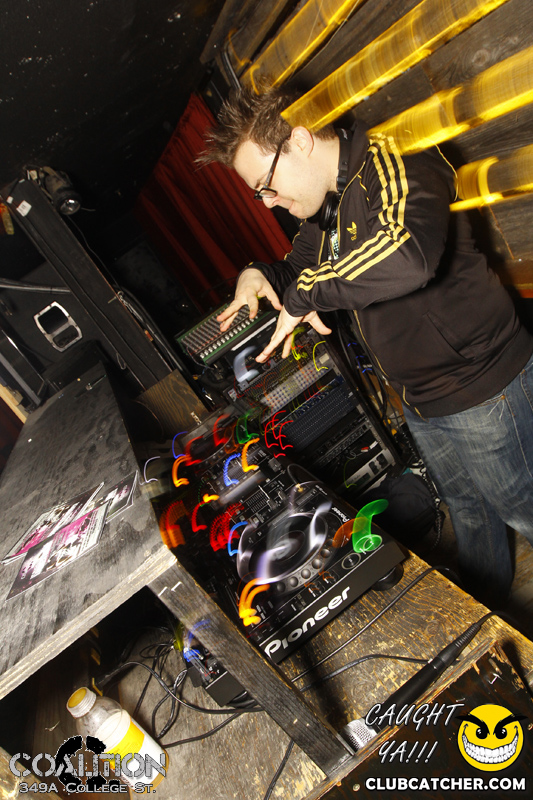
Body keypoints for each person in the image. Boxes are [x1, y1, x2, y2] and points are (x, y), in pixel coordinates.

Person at [200, 83, 533, 608]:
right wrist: (257, 274)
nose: (268, 201)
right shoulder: (325, 208)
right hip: (424, 399)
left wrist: (306, 292)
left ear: (300, 141)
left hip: (483, 387)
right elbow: (298, 270)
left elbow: (407, 253)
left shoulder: (396, 154)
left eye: (266, 186)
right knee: (470, 513)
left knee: (523, 510)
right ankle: (490, 614)